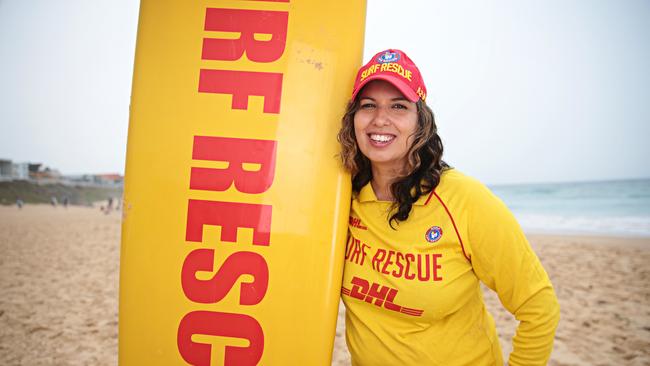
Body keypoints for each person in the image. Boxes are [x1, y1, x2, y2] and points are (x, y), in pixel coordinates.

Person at [337, 49, 560, 366]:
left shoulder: (464, 198)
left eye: (398, 106)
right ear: (353, 119)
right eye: (368, 105)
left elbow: (538, 305)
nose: (380, 119)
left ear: (421, 121)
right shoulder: (340, 199)